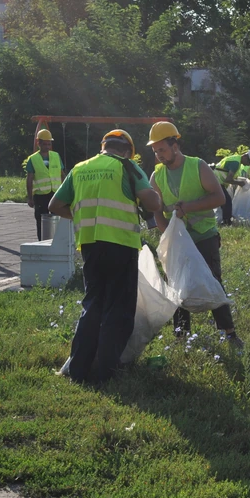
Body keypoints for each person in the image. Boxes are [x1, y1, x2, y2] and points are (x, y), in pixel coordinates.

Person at [47, 129, 162, 385]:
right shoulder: (127, 167)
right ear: (127, 151)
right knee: (118, 310)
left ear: (103, 147)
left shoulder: (79, 169)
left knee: (93, 305)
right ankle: (106, 373)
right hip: (121, 244)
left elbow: (54, 206)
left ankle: (78, 370)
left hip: (89, 245)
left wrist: (79, 215)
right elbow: (153, 204)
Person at [147, 121, 244, 348]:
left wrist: (188, 208)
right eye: (155, 151)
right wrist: (167, 234)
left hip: (203, 236)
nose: (159, 155)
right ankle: (181, 338)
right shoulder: (156, 176)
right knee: (177, 287)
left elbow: (219, 198)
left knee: (212, 282)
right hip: (178, 242)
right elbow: (156, 211)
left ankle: (230, 335)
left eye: (162, 149)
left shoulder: (197, 166)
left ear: (175, 145)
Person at [25, 129, 66, 240]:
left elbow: (62, 175)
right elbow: (29, 179)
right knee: (41, 220)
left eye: (49, 144)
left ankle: (56, 240)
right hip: (40, 195)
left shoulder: (56, 156)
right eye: (45, 144)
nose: (47, 146)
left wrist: (66, 193)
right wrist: (30, 198)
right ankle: (42, 241)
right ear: (39, 143)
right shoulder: (33, 159)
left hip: (56, 194)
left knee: (57, 218)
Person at [213, 150, 250, 225]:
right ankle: (227, 223)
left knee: (222, 201)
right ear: (245, 157)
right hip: (216, 181)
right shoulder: (236, 163)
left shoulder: (236, 160)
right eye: (249, 162)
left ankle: (222, 221)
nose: (248, 165)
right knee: (227, 201)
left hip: (216, 180)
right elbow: (228, 179)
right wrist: (239, 183)